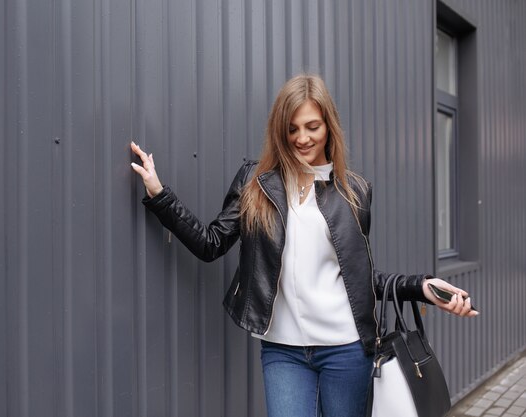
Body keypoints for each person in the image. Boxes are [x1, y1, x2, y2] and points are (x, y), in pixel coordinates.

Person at [130, 74, 477, 417]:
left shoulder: (353, 192)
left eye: (312, 126)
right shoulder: (256, 182)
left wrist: (421, 286)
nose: (302, 138)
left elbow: (359, 277)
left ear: (329, 126)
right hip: (283, 350)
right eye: (292, 128)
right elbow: (211, 243)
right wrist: (160, 194)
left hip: (346, 348)